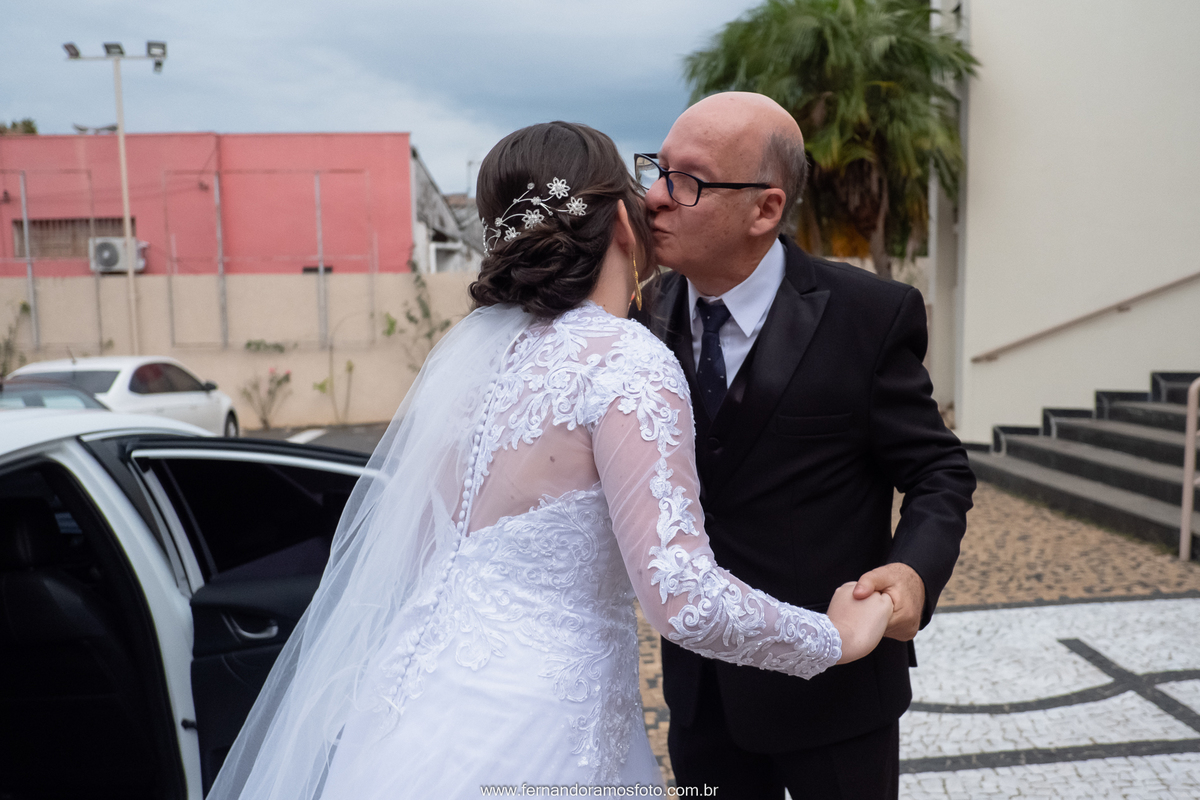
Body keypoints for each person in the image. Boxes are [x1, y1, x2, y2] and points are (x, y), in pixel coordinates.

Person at [206, 121, 894, 800]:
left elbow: (418, 560)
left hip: (411, 713)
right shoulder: (626, 362)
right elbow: (682, 600)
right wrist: (831, 636)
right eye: (638, 188)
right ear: (622, 226)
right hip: (542, 729)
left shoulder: (473, 361)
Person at [638, 92, 976, 799]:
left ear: (765, 209)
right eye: (657, 169)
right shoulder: (640, 317)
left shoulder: (868, 315)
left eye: (686, 180)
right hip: (702, 696)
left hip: (838, 695)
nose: (653, 198)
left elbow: (938, 469)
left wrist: (912, 572)